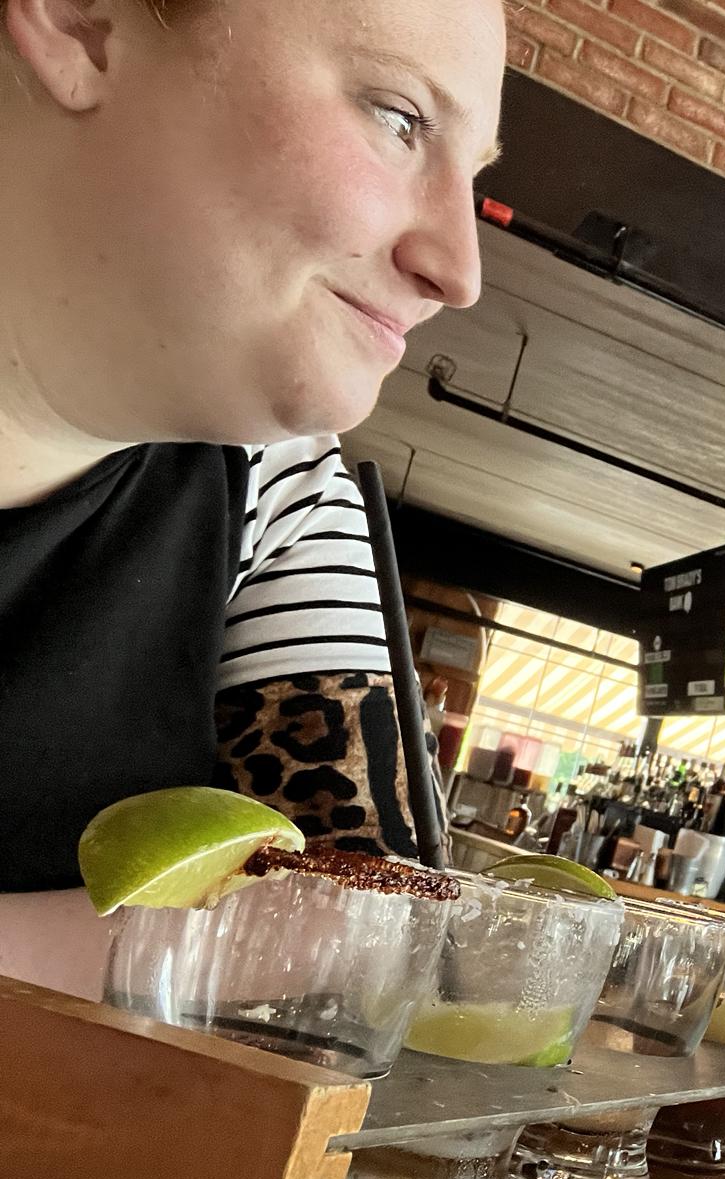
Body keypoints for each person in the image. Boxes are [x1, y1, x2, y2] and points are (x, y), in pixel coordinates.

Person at [0, 0, 504, 997]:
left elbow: (376, 916)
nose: (460, 271)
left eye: (475, 173)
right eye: (398, 118)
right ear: (82, 21)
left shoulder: (276, 489)